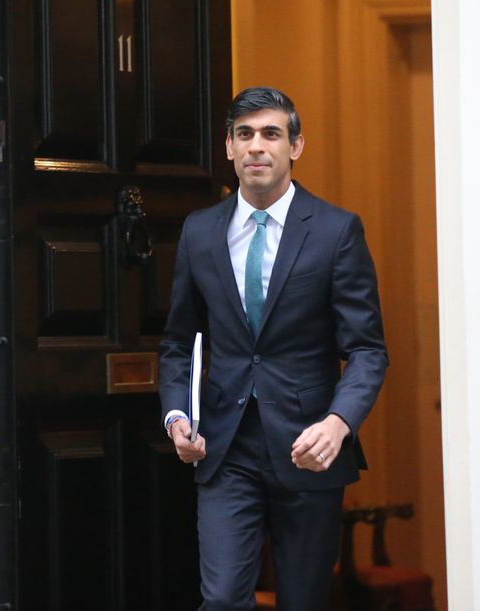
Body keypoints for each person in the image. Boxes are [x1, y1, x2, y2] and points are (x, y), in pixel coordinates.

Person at [159, 86, 389, 611]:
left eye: (271, 134)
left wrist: (338, 423)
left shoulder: (336, 231)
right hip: (225, 447)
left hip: (309, 447)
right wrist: (177, 416)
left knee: (303, 600)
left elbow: (368, 350)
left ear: (296, 146)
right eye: (245, 134)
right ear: (229, 148)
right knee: (221, 599)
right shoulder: (200, 231)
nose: (257, 146)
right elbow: (179, 341)